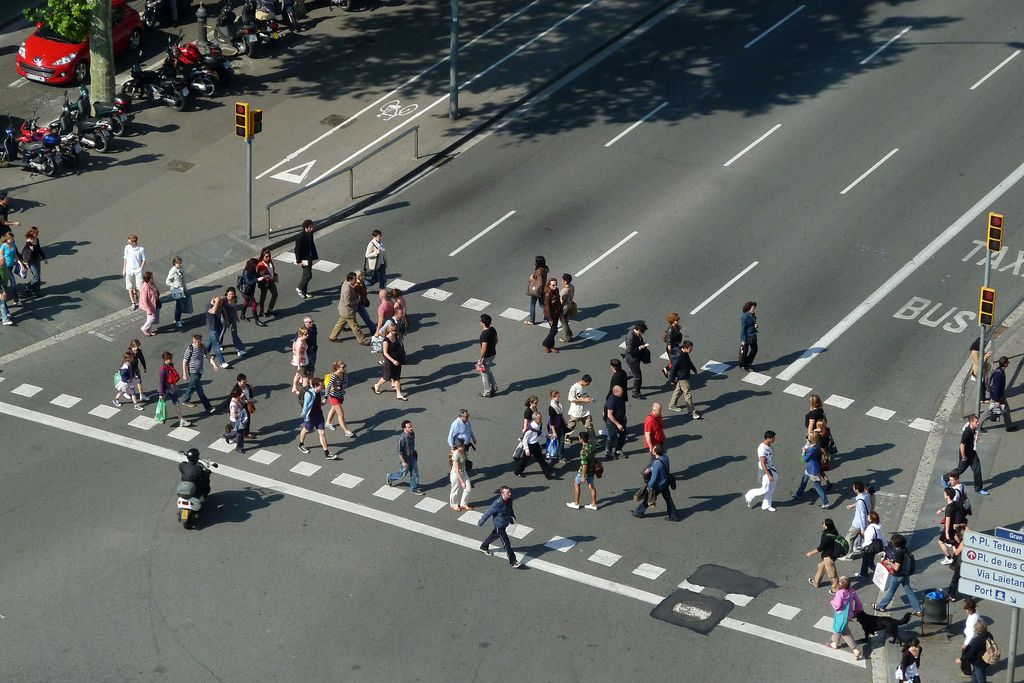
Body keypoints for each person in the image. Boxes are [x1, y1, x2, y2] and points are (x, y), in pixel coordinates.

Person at [873, 533, 923, 616]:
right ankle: (918, 610)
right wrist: (892, 561)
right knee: (909, 592)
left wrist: (889, 562)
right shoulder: (904, 549)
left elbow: (896, 567)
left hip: (898, 575)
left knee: (891, 592)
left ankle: (880, 606)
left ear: (895, 543)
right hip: (905, 574)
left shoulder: (899, 552)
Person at [478, 486, 520, 567]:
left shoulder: (509, 500)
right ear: (502, 493)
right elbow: (488, 512)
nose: (510, 494)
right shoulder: (497, 503)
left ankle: (484, 546)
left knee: (494, 535)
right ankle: (513, 561)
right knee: (506, 543)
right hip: (499, 526)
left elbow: (510, 509)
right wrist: (481, 521)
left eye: (509, 492)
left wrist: (512, 517)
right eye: (507, 493)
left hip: (504, 523)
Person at [632, 445, 677, 521]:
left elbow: (654, 478)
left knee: (648, 498)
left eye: (653, 450)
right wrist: (650, 469)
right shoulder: (665, 457)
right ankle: (673, 515)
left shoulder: (657, 463)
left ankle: (638, 512)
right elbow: (661, 468)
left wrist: (649, 487)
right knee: (668, 499)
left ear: (655, 452)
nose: (652, 450)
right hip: (665, 481)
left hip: (658, 485)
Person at [298, 377, 335, 459]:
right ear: (316, 386)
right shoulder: (309, 394)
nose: (323, 386)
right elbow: (306, 406)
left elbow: (324, 395)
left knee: (321, 433)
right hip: (310, 416)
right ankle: (301, 444)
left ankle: (327, 453)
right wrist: (306, 417)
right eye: (321, 385)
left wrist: (324, 400)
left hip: (319, 415)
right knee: (307, 430)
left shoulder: (319, 392)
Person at [181, 334, 219, 414]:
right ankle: (208, 407)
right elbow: (184, 361)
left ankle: (185, 400)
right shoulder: (189, 349)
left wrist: (214, 365)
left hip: (199, 371)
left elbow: (208, 355)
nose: (196, 344)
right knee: (199, 390)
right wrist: (184, 374)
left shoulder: (202, 347)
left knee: (193, 385)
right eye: (195, 342)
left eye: (198, 342)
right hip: (192, 371)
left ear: (200, 341)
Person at [827, 576, 863, 660]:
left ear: (841, 584)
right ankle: (834, 643)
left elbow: (838, 605)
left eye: (839, 581)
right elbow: (857, 601)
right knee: (839, 627)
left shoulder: (840, 593)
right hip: (849, 613)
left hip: (841, 614)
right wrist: (858, 610)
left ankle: (855, 650)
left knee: (843, 631)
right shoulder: (852, 591)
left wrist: (832, 602)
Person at [952, 414, 989, 495]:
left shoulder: (974, 428)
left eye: (978, 421)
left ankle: (978, 488)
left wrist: (976, 439)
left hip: (972, 453)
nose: (978, 423)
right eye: (976, 422)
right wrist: (964, 457)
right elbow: (962, 445)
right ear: (971, 422)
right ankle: (945, 477)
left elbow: (973, 438)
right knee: (960, 470)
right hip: (965, 454)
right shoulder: (967, 432)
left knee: (977, 470)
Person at [328, 272, 369, 345]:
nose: (356, 280)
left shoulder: (345, 283)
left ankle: (332, 337)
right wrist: (358, 299)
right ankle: (362, 340)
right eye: (355, 279)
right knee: (355, 326)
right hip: (348, 311)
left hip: (343, 310)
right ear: (350, 279)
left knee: (341, 323)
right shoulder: (347, 290)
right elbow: (348, 302)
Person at [386, 420, 423, 494]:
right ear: (404, 428)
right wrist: (403, 462)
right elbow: (399, 452)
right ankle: (390, 477)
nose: (411, 428)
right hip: (406, 460)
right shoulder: (401, 439)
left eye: (411, 426)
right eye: (409, 427)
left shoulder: (412, 434)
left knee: (415, 474)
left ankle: (414, 489)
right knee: (402, 475)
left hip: (413, 457)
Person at [744, 431, 778, 511]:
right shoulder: (761, 448)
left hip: (771, 468)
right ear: (768, 438)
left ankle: (766, 505)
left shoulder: (770, 445)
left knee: (772, 486)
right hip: (765, 470)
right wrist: (768, 475)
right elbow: (762, 463)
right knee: (765, 489)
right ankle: (749, 494)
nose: (774, 439)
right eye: (773, 438)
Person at [667, 340, 702, 418]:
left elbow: (689, 362)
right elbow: (673, 369)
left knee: (678, 391)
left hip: (684, 375)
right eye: (690, 349)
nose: (691, 350)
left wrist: (693, 369)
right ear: (685, 348)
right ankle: (692, 412)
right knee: (688, 394)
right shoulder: (679, 357)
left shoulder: (685, 354)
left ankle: (672, 405)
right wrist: (671, 379)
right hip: (682, 377)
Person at [372, 323, 408, 400]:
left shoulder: (395, 336)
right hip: (389, 361)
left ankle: (398, 394)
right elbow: (385, 353)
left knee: (397, 378)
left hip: (397, 360)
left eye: (396, 330)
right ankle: (377, 385)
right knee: (386, 377)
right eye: (393, 330)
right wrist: (393, 360)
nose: (395, 332)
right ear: (389, 330)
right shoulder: (386, 340)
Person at [794, 433, 830, 508]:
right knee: (804, 480)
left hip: (812, 470)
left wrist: (803, 452)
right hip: (814, 467)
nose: (807, 438)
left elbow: (804, 459)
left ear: (812, 439)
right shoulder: (817, 444)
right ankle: (799, 494)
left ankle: (826, 503)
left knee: (818, 487)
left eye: (808, 437)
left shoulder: (811, 449)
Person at [806, 518, 841, 593]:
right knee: (821, 568)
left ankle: (836, 589)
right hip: (830, 555)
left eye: (823, 523)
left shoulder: (826, 537)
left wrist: (810, 553)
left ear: (827, 526)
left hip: (829, 557)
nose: (822, 524)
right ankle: (816, 582)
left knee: (832, 574)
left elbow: (820, 548)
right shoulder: (834, 531)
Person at [515, 410, 554, 479]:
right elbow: (524, 439)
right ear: (535, 419)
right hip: (530, 446)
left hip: (536, 444)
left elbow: (538, 433)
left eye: (541, 418)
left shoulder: (537, 424)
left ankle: (547, 474)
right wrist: (526, 450)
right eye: (539, 418)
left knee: (541, 460)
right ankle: (518, 472)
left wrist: (547, 435)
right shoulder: (530, 429)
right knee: (524, 461)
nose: (541, 419)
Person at [840, 481, 871, 560]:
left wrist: (862, 528)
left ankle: (848, 555)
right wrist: (852, 506)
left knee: (848, 538)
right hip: (866, 521)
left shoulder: (860, 501)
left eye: (854, 487)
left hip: (858, 524)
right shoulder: (866, 495)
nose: (853, 488)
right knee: (862, 537)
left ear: (856, 490)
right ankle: (857, 547)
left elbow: (861, 515)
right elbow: (861, 503)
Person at [157, 351, 189, 427]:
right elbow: (161, 383)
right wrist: (161, 394)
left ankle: (181, 420)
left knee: (176, 403)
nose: (171, 360)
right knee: (161, 404)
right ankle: (159, 416)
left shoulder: (170, 365)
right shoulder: (163, 370)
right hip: (165, 390)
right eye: (170, 358)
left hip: (171, 388)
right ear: (166, 359)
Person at [567, 432, 598, 510]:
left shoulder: (583, 451)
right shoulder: (592, 446)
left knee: (576, 484)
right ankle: (594, 504)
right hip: (592, 470)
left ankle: (576, 503)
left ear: (581, 439)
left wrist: (583, 476)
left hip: (584, 472)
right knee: (591, 487)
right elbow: (594, 454)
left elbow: (584, 465)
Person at [937, 487, 966, 564]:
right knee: (955, 544)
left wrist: (946, 533)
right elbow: (949, 506)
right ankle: (957, 558)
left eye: (944, 493)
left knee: (941, 542)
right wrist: (941, 510)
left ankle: (948, 558)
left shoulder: (949, 508)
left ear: (947, 496)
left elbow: (948, 521)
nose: (943, 494)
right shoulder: (956, 503)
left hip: (950, 528)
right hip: (957, 527)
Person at [987, 355, 1016, 431]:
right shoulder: (999, 374)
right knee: (988, 412)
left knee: (1006, 411)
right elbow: (997, 388)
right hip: (997, 397)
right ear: (1005, 364)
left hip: (1001, 397)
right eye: (1007, 362)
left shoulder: (999, 370)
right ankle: (978, 424)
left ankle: (1009, 426)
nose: (1008, 364)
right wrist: (997, 400)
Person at [324, 361, 354, 436]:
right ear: (337, 367)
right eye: (343, 367)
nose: (344, 368)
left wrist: (340, 387)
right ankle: (346, 431)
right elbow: (328, 387)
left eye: (345, 366)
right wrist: (325, 397)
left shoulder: (344, 373)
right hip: (334, 396)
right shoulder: (334, 376)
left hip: (340, 395)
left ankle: (328, 423)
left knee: (333, 409)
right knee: (341, 414)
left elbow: (346, 382)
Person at [565, 374, 595, 444]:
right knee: (571, 426)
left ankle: (593, 442)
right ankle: (566, 437)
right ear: (583, 381)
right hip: (576, 412)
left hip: (585, 411)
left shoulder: (585, 386)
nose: (587, 385)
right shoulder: (574, 387)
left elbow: (585, 396)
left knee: (589, 427)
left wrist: (589, 399)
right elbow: (571, 400)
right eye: (587, 383)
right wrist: (583, 400)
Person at [623, 321, 650, 399]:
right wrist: (639, 348)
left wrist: (642, 344)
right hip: (632, 359)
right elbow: (629, 351)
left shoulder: (633, 330)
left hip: (635, 357)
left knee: (632, 373)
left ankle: (619, 381)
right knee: (638, 377)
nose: (642, 334)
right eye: (642, 332)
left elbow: (638, 339)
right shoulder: (631, 337)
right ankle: (635, 393)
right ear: (638, 330)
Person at [858, 511, 888, 578]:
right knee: (865, 559)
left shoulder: (870, 528)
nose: (867, 517)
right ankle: (863, 573)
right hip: (877, 546)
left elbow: (868, 540)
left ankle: (881, 574)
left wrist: (862, 547)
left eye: (868, 517)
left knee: (869, 562)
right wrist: (885, 545)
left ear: (871, 519)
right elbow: (882, 537)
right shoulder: (878, 527)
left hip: (870, 547)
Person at [238, 258, 267, 326]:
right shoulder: (246, 271)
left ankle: (242, 315)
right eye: (256, 264)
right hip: (246, 291)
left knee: (246, 301)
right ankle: (257, 320)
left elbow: (256, 276)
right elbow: (248, 282)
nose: (257, 266)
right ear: (252, 264)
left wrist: (262, 275)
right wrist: (257, 279)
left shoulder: (253, 270)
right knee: (253, 303)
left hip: (251, 290)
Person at [219, 288, 248, 357]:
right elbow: (224, 312)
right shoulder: (224, 300)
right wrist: (227, 321)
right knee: (222, 332)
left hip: (232, 318)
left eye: (233, 294)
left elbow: (234, 308)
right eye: (230, 294)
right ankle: (218, 344)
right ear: (227, 293)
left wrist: (237, 317)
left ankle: (239, 349)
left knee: (234, 334)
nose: (231, 295)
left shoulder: (235, 299)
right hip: (224, 318)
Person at [294, 219, 318, 299]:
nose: (312, 229)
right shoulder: (300, 237)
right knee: (308, 275)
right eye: (310, 227)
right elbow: (296, 250)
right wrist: (298, 261)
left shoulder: (310, 234)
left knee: (305, 275)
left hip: (309, 258)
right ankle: (299, 288)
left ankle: (304, 292)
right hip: (304, 259)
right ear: (306, 228)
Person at [204, 296, 230, 369]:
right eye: (220, 303)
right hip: (212, 328)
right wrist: (216, 302)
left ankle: (205, 352)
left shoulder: (220, 305)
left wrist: (227, 321)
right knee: (216, 346)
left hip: (218, 327)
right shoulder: (208, 306)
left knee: (210, 340)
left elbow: (223, 311)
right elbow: (213, 311)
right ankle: (222, 362)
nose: (221, 305)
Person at [122, 233, 146, 311]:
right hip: (129, 270)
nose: (128, 243)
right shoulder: (127, 248)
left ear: (134, 242)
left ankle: (142, 300)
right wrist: (124, 269)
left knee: (140, 287)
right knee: (130, 287)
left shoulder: (141, 249)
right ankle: (133, 302)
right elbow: (125, 258)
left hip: (137, 270)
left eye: (129, 242)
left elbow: (144, 259)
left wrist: (141, 268)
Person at [165, 256, 190, 329]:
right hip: (176, 290)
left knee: (180, 305)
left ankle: (177, 319)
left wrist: (185, 289)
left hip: (182, 289)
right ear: (175, 263)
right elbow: (167, 281)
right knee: (180, 305)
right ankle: (177, 320)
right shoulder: (173, 270)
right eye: (178, 263)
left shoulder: (181, 269)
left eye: (180, 263)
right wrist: (176, 285)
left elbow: (183, 279)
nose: (180, 264)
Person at [20, 227, 46, 297]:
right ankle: (28, 287)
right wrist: (26, 263)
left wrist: (44, 258)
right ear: (32, 233)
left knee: (38, 276)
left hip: (37, 259)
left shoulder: (37, 239)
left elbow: (39, 249)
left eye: (37, 233)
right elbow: (24, 253)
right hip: (31, 262)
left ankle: (36, 292)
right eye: (36, 233)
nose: (37, 234)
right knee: (36, 277)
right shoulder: (28, 243)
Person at [604, 385, 627, 461]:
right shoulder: (612, 400)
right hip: (612, 423)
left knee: (623, 436)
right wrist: (617, 424)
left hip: (621, 420)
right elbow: (609, 415)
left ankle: (618, 449)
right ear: (616, 392)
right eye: (621, 392)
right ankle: (608, 452)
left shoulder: (620, 397)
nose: (622, 393)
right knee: (611, 437)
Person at [223, 384, 249, 454]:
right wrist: (240, 414)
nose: (242, 395)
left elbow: (242, 402)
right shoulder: (233, 404)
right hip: (235, 421)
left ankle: (227, 435)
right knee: (240, 434)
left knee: (239, 432)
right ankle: (239, 448)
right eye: (240, 394)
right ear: (236, 395)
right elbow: (233, 414)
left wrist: (247, 401)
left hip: (240, 419)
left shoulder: (238, 399)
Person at [1, 231, 24, 306]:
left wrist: (21, 265)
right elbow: (1, 256)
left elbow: (15, 256)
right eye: (10, 239)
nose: (12, 240)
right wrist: (2, 265)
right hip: (5, 267)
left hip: (10, 266)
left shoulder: (13, 245)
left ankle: (4, 299)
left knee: (5, 284)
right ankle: (15, 300)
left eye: (12, 239)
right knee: (13, 282)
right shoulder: (3, 246)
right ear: (6, 239)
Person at [478, 314, 498, 398]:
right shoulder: (492, 329)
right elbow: (496, 340)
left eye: (480, 321)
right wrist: (492, 347)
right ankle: (494, 386)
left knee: (484, 373)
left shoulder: (484, 335)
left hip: (487, 356)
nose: (479, 322)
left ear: (483, 323)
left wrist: (480, 359)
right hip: (493, 353)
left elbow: (484, 349)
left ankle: (487, 391)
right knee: (487, 370)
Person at [448, 440, 472, 511]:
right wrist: (462, 482)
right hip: (456, 474)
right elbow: (457, 470)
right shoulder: (455, 455)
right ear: (458, 447)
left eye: (463, 445)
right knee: (455, 490)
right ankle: (454, 505)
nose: (463, 447)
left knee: (468, 489)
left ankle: (463, 504)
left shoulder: (463, 452)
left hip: (464, 472)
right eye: (461, 446)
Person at [525, 255, 548, 325]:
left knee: (532, 304)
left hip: (538, 290)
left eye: (535, 261)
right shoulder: (545, 269)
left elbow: (539, 282)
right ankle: (548, 316)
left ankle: (532, 320)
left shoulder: (538, 271)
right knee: (542, 304)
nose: (534, 262)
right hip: (543, 289)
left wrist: (532, 278)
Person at [541, 278, 563, 353]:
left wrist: (561, 312)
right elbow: (547, 308)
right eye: (553, 285)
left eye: (556, 284)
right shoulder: (548, 294)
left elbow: (558, 302)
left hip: (556, 314)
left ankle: (551, 346)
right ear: (549, 285)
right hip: (549, 315)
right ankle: (545, 344)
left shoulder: (556, 291)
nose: (555, 286)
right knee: (554, 331)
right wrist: (550, 319)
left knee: (552, 331)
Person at [256, 248, 279, 317]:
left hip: (271, 281)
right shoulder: (261, 264)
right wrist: (268, 276)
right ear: (262, 256)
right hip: (264, 283)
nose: (268, 258)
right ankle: (261, 311)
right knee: (263, 297)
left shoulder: (270, 261)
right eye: (266, 257)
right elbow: (260, 275)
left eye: (269, 256)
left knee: (275, 294)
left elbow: (273, 269)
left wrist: (273, 275)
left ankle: (270, 309)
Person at [126, 339, 149, 403]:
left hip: (136, 368)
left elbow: (142, 359)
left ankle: (141, 394)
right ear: (131, 346)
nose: (136, 348)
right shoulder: (129, 353)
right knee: (128, 383)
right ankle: (123, 392)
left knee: (139, 381)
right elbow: (127, 363)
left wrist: (144, 367)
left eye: (137, 346)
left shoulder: (139, 351)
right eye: (134, 347)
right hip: (129, 369)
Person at [662, 312, 683, 378]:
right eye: (676, 320)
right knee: (676, 361)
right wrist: (670, 352)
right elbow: (669, 342)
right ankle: (674, 376)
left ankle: (667, 369)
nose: (678, 321)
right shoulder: (670, 330)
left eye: (678, 319)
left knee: (677, 361)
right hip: (672, 348)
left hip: (676, 346)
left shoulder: (676, 326)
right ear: (672, 321)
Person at [139, 271, 160, 336]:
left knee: (150, 318)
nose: (153, 278)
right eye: (151, 277)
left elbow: (156, 291)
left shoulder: (151, 284)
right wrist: (148, 310)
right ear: (148, 278)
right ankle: (144, 328)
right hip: (149, 305)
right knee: (152, 318)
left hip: (153, 303)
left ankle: (149, 331)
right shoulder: (145, 287)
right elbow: (144, 300)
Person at [739, 301, 758, 371]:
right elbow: (743, 329)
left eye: (755, 308)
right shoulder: (745, 317)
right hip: (748, 337)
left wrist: (755, 325)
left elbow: (753, 322)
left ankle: (747, 363)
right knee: (745, 351)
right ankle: (743, 364)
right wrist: (743, 340)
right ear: (748, 309)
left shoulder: (752, 314)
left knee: (754, 350)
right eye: (753, 309)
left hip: (753, 335)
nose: (755, 310)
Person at [548, 390, 566, 464]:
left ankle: (560, 456)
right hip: (554, 427)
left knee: (561, 441)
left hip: (560, 425)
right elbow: (551, 421)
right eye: (558, 397)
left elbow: (560, 415)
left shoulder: (558, 404)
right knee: (552, 442)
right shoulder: (552, 408)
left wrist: (564, 421)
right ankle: (550, 454)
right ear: (553, 397)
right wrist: (554, 432)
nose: (559, 398)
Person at [290, 327, 309, 395]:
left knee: (298, 374)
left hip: (303, 358)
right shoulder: (299, 343)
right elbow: (297, 355)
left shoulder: (302, 339)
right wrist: (298, 366)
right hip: (300, 361)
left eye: (307, 333)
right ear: (301, 334)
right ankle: (302, 391)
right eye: (305, 334)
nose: (307, 335)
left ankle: (294, 387)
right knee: (303, 376)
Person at [558, 273, 575, 342]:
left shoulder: (564, 291)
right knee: (565, 320)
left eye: (562, 279)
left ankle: (568, 337)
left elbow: (562, 302)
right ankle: (569, 334)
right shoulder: (572, 286)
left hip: (565, 308)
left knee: (564, 322)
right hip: (570, 305)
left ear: (565, 281)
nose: (561, 280)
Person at [0, 257, 13, 326]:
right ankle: (5, 319)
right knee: (2, 304)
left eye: (4, 260)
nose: (4, 262)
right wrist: (2, 291)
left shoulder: (5, 267)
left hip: (3, 286)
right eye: (3, 261)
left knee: (2, 303)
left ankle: (5, 317)